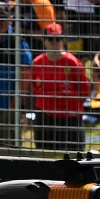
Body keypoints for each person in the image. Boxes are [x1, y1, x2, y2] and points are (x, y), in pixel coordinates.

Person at [26, 21, 90, 150]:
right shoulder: (38, 62)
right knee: (44, 154)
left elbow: (84, 90)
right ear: (44, 40)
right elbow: (34, 87)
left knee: (73, 155)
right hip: (45, 115)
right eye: (50, 39)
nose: (54, 42)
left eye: (58, 39)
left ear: (63, 40)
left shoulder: (72, 62)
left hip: (69, 116)